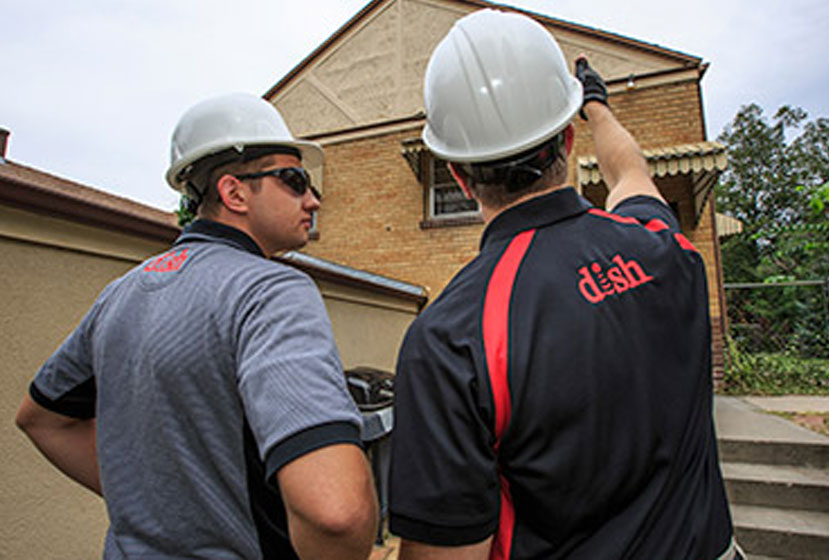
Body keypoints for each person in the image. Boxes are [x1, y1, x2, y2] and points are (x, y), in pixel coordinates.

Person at [388, 9, 739, 560]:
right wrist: (596, 102)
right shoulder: (667, 250)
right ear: (569, 140)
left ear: (457, 174)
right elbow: (631, 174)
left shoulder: (452, 336)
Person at [15, 93, 378, 559]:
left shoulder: (120, 294)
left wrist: (152, 503)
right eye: (294, 180)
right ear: (233, 192)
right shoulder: (271, 290)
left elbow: (41, 418)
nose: (314, 199)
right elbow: (337, 514)